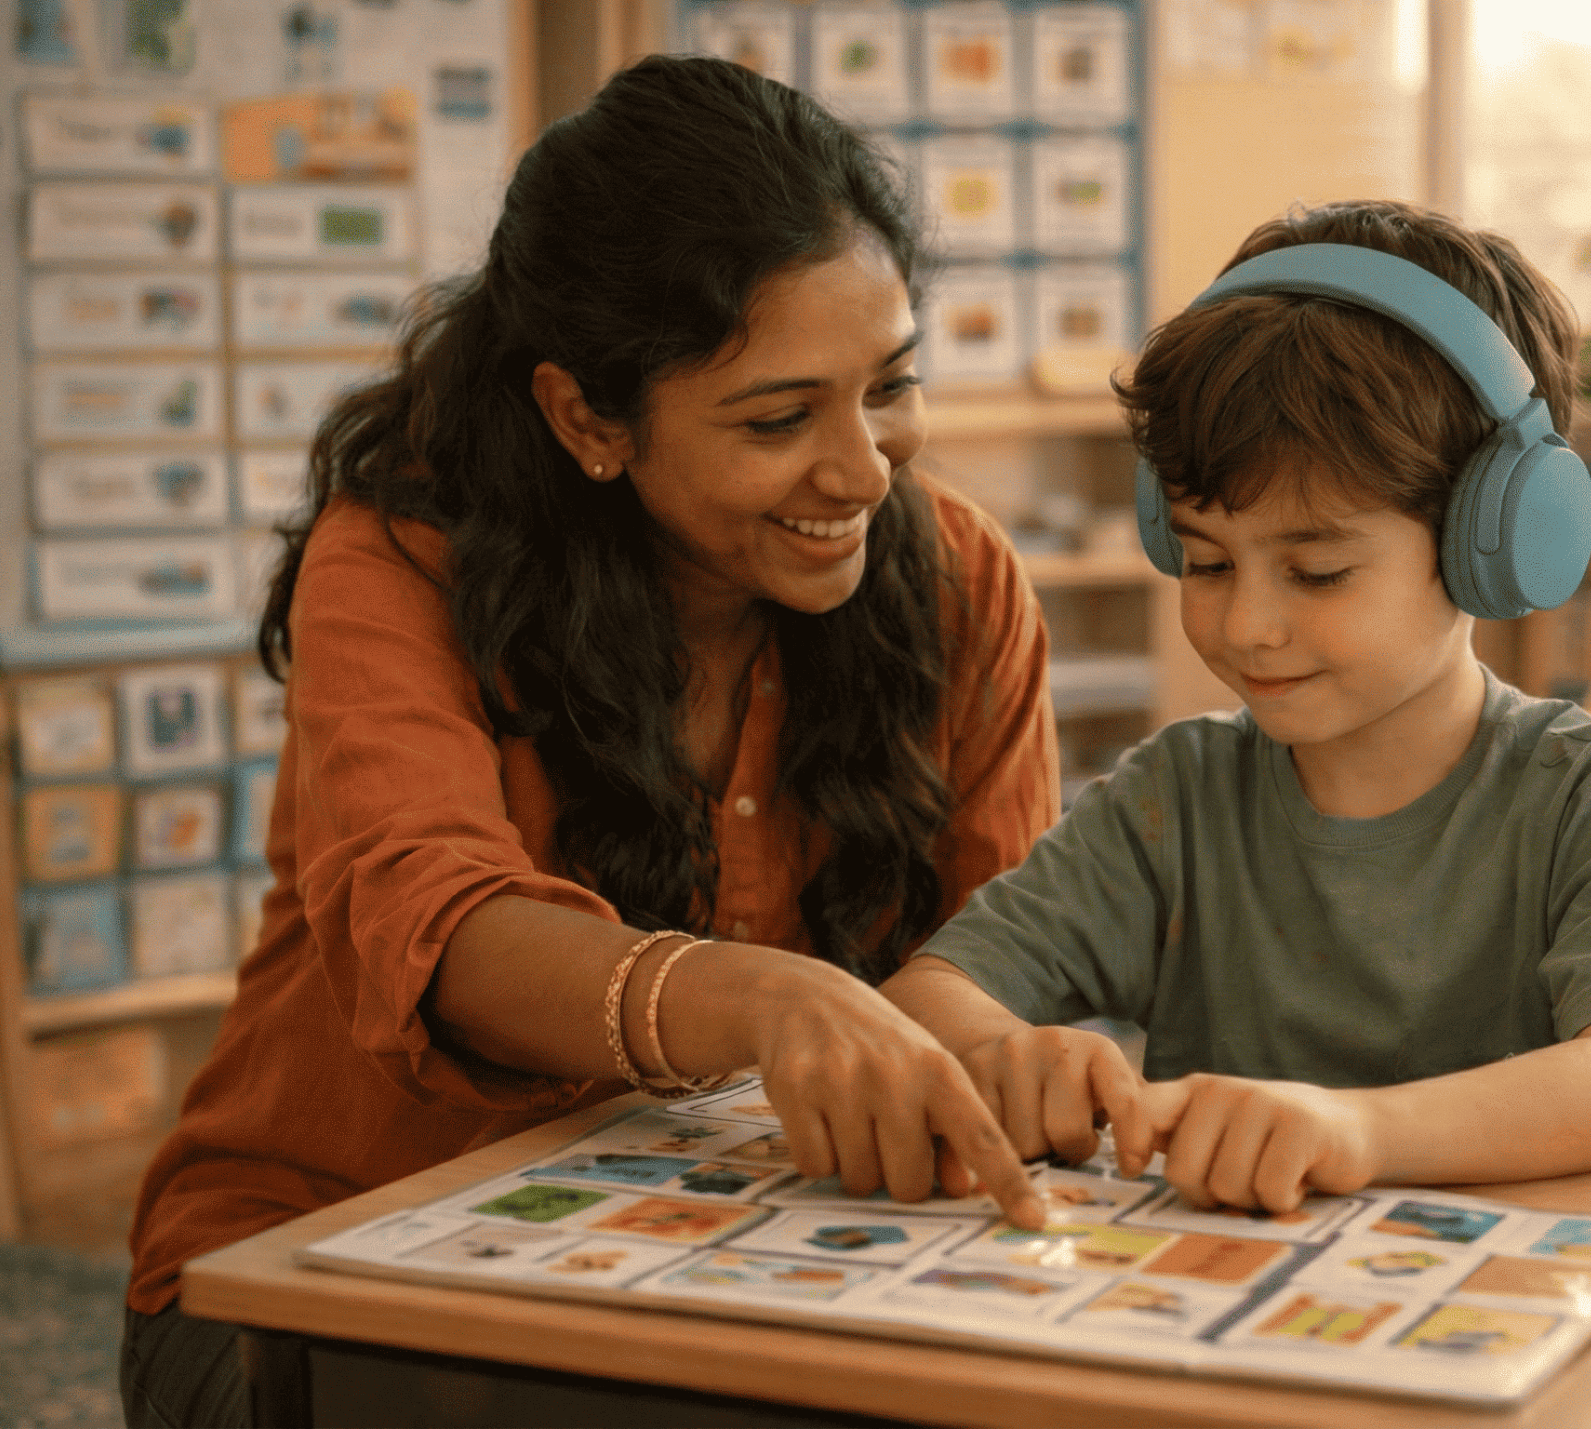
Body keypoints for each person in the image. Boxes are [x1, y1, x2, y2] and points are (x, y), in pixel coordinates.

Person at [122, 54, 1057, 1428]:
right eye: (780, 418)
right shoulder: (400, 561)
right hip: (317, 1261)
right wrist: (764, 999)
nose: (863, 467)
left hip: (747, 1264)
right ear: (585, 417)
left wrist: (1018, 1045)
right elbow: (440, 925)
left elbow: (1005, 957)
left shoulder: (962, 582)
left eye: (890, 387)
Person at [885, 199, 1591, 1216]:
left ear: (1493, 540)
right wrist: (1008, 1052)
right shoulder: (1174, 799)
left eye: (1319, 571)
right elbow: (920, 997)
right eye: (1204, 561)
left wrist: (1358, 1129)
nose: (1248, 624)